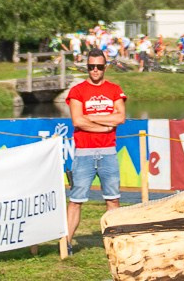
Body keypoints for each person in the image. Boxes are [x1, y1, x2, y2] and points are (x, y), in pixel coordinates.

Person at [64, 55, 127, 238]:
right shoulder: (77, 91)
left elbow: (120, 117)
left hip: (108, 153)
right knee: (75, 201)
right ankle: (67, 243)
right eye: (91, 66)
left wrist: (90, 117)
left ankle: (115, 241)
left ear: (105, 67)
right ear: (87, 67)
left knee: (113, 200)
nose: (95, 70)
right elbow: (77, 120)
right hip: (83, 154)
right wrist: (106, 126)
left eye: (99, 66)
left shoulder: (114, 90)